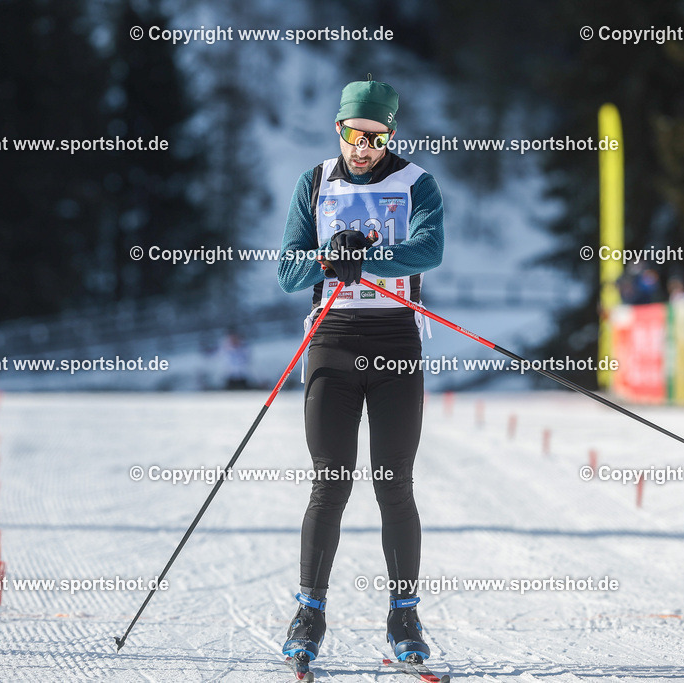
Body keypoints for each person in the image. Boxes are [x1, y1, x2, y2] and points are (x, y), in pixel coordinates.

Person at [276, 76, 444, 671]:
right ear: (339, 130)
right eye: (353, 134)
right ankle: (309, 612)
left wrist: (365, 255)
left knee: (394, 484)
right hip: (332, 343)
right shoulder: (315, 181)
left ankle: (404, 617)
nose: (363, 147)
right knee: (331, 484)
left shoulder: (416, 182)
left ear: (390, 134)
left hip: (397, 340)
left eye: (375, 137)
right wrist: (327, 256)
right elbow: (288, 272)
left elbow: (429, 250)